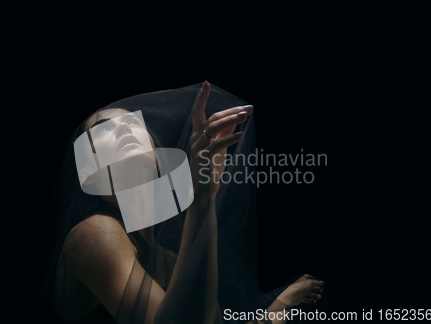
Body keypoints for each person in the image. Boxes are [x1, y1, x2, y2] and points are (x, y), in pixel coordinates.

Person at [36, 81, 326, 323]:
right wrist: (203, 197)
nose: (124, 128)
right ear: (87, 172)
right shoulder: (95, 234)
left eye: (132, 121)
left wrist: (208, 191)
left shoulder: (164, 258)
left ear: (157, 156)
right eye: (102, 129)